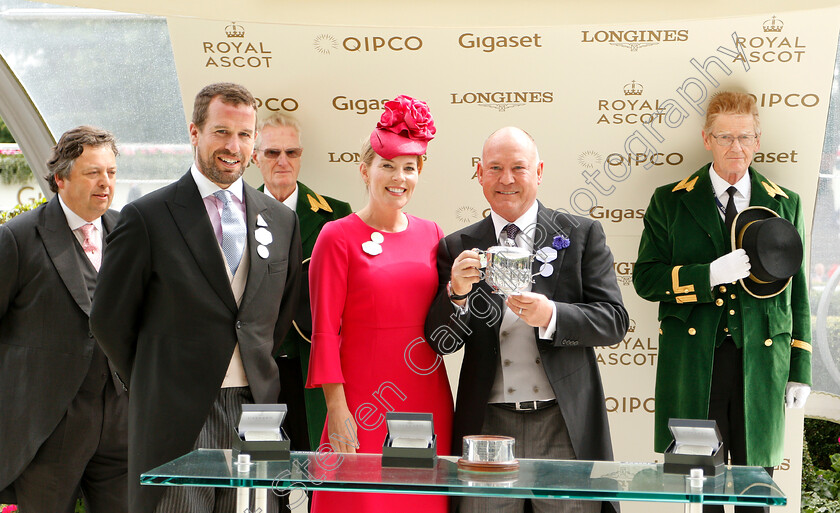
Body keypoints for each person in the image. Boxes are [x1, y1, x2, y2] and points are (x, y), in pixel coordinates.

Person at [90, 82, 302, 513]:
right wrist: (156, 381)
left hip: (257, 414)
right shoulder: (147, 217)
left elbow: (276, 319)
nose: (234, 146)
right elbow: (109, 320)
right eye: (221, 132)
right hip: (177, 414)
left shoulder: (281, 221)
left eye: (245, 135)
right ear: (194, 132)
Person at [424, 126, 627, 513]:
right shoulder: (457, 247)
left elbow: (614, 320)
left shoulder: (580, 234)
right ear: (479, 174)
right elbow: (441, 344)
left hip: (562, 422)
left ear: (539, 171)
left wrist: (551, 314)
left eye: (518, 167)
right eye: (495, 168)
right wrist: (458, 296)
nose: (506, 179)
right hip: (486, 425)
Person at [633, 91, 810, 513]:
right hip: (695, 364)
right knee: (699, 493)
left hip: (761, 366)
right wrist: (707, 275)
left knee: (755, 494)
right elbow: (645, 278)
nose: (737, 148)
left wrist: (800, 368)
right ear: (706, 138)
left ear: (758, 140)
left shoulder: (785, 202)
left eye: (746, 137)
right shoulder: (670, 201)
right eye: (726, 137)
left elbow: (798, 291)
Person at [305, 95, 453, 513]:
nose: (398, 177)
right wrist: (336, 407)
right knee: (362, 501)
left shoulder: (432, 233)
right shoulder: (336, 235)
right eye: (386, 165)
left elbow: (443, 318)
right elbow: (324, 330)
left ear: (419, 172)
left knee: (418, 502)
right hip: (363, 401)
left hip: (424, 393)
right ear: (364, 170)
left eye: (409, 168)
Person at [0, 126, 127, 512]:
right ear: (60, 177)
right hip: (46, 424)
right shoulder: (17, 238)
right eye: (93, 173)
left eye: (111, 172)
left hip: (121, 420)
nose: (105, 183)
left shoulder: (128, 232)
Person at [252, 112, 352, 453]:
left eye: (291, 153)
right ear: (254, 157)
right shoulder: (234, 216)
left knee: (321, 470)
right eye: (272, 153)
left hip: (315, 365)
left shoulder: (336, 216)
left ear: (301, 156)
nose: (283, 161)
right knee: (263, 473)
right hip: (256, 365)